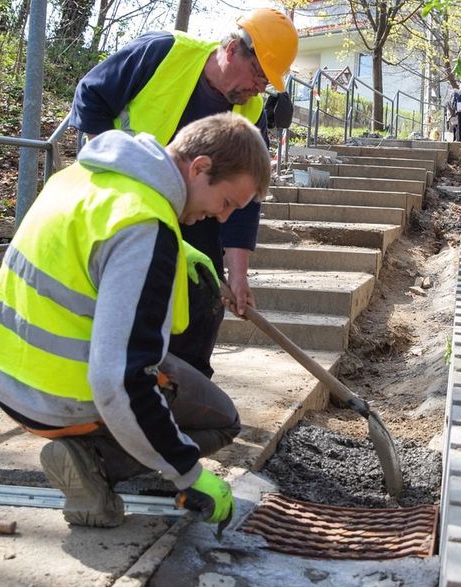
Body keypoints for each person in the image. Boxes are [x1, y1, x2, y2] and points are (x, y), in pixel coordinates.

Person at [0, 113, 272, 528]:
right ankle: (94, 461)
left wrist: (179, 253)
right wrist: (188, 474)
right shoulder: (144, 228)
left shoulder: (81, 177)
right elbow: (119, 380)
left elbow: (84, 251)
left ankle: (94, 447)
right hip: (58, 397)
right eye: (226, 203)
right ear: (200, 167)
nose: (222, 219)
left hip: (3, 377)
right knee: (224, 420)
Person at [69, 8, 298, 380]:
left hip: (198, 209)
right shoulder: (163, 53)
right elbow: (91, 95)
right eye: (259, 74)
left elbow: (242, 200)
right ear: (231, 49)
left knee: (205, 295)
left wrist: (237, 276)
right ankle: (118, 382)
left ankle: (185, 386)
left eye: (267, 82)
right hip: (126, 198)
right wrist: (112, 162)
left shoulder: (251, 110)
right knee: (128, 292)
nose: (260, 88)